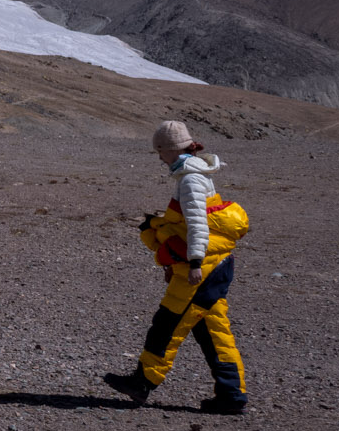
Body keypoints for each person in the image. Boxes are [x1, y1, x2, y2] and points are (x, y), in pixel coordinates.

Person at [103, 119, 250, 415]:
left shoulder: (190, 180)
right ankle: (231, 395)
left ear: (170, 150)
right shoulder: (195, 172)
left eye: (160, 152)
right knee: (214, 332)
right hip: (215, 265)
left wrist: (194, 262)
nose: (159, 158)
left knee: (167, 326)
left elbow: (198, 225)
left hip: (202, 268)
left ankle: (142, 383)